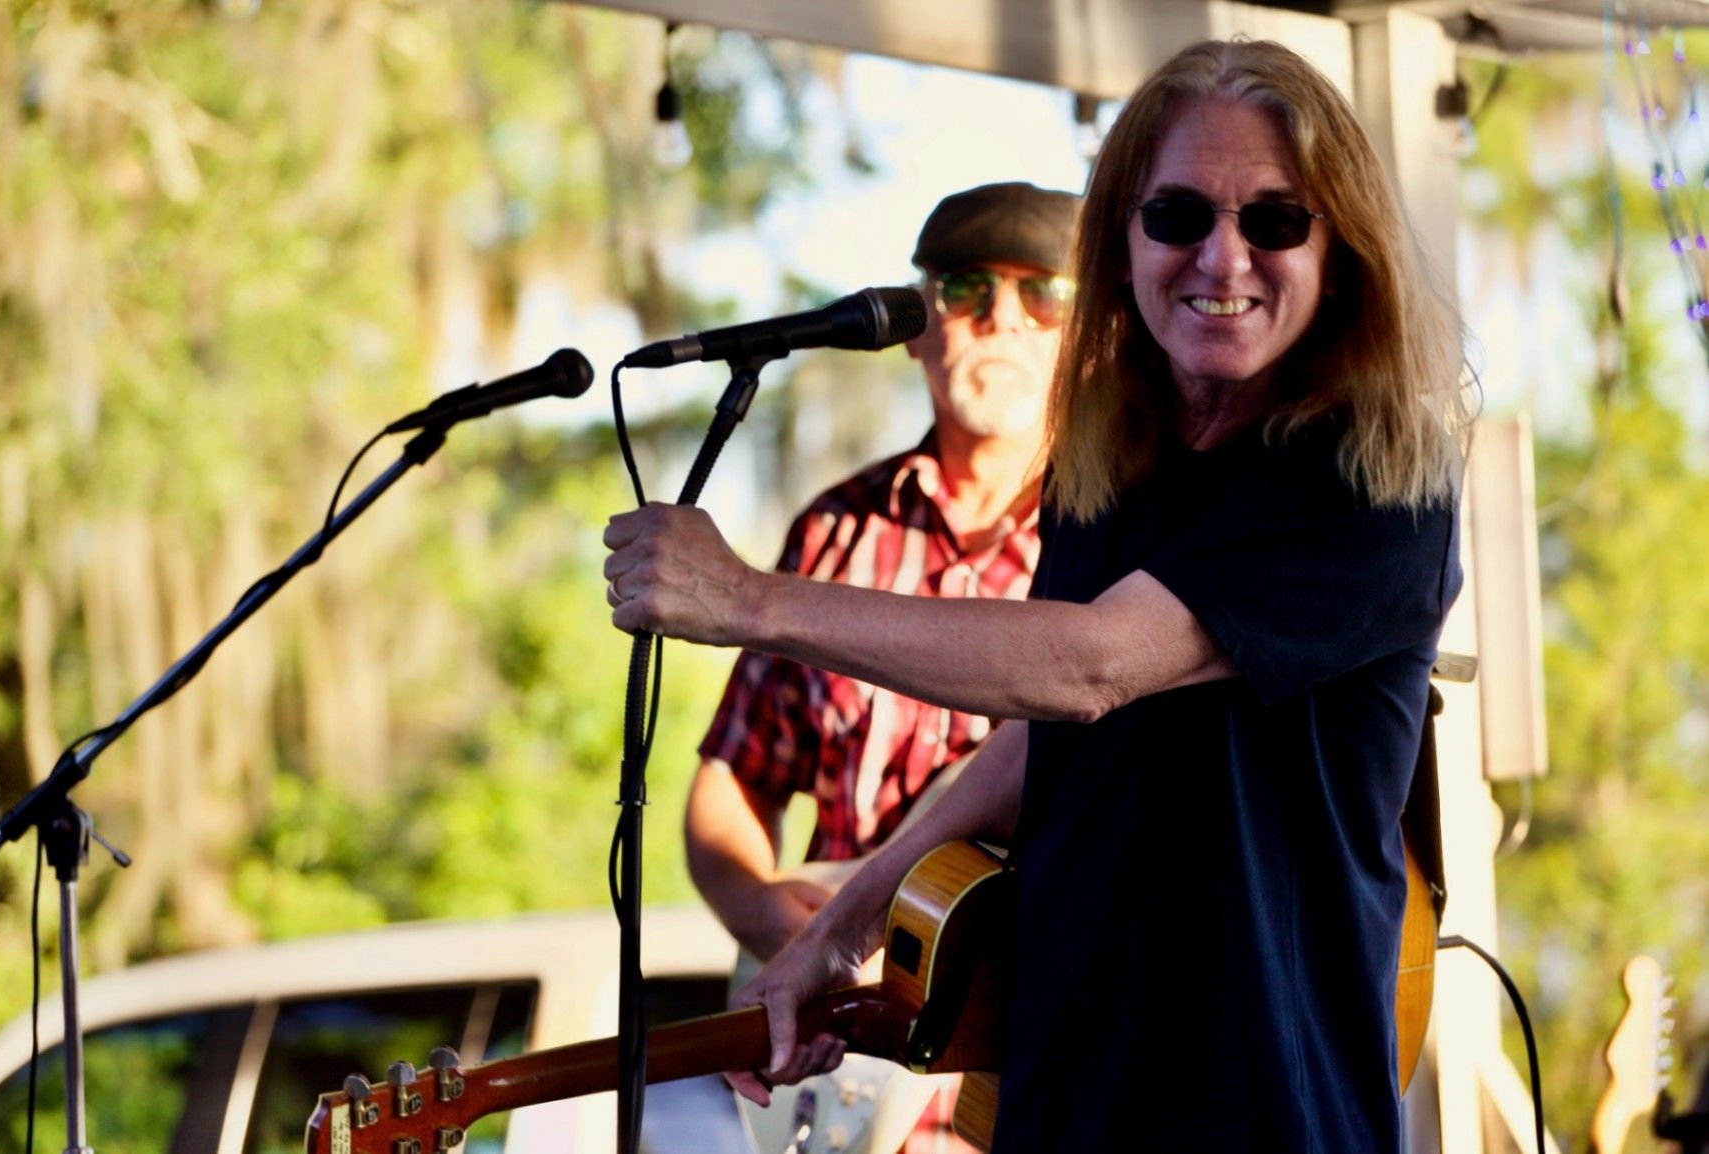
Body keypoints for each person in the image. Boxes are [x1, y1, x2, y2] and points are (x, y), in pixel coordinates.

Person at [605, 38, 1471, 1154]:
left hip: (1262, 1109)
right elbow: (1044, 745)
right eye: (1175, 216)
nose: (1223, 256)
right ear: (1120, 238)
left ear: (1338, 249)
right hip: (1060, 1098)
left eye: (1272, 219)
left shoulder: (1371, 481)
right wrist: (850, 917)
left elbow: (1090, 667)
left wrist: (743, 598)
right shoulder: (1107, 468)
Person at [682, 182, 1080, 1154]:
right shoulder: (835, 527)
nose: (1002, 320)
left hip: (1039, 1065)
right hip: (854, 1079)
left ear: (1094, 333)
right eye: (967, 287)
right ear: (914, 324)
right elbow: (732, 776)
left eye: (1045, 295)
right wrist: (768, 910)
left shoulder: (1119, 541)